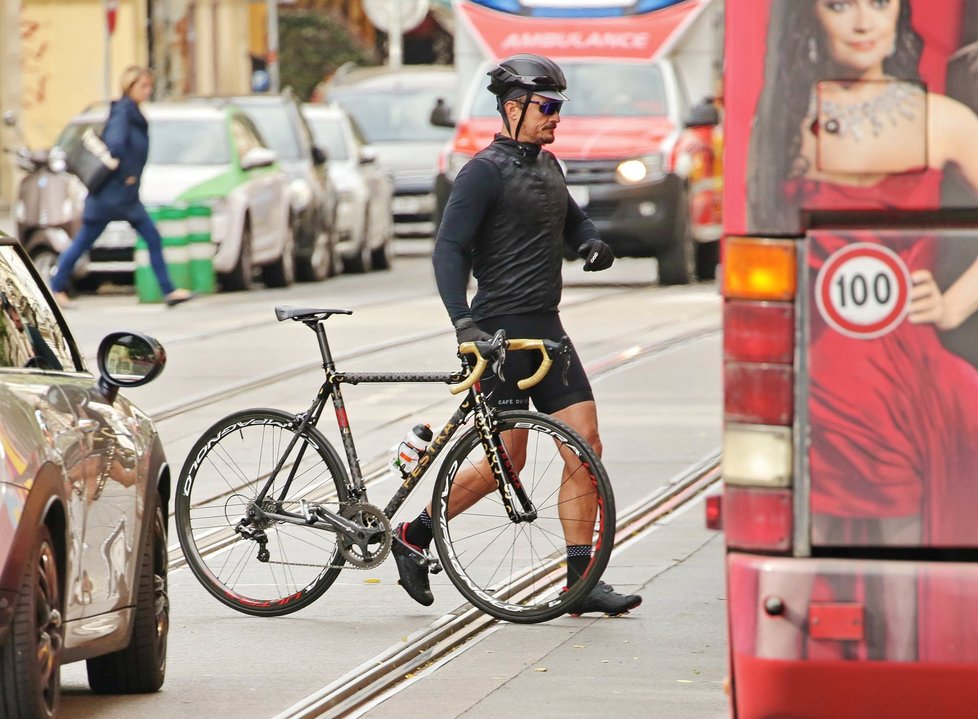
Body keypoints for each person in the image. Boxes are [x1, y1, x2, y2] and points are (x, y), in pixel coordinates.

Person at [390, 53, 641, 617]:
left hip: (548, 331)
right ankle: (414, 533)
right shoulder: (482, 172)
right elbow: (448, 249)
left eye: (559, 107)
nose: (556, 117)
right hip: (500, 334)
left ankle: (580, 582)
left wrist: (590, 241)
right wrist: (464, 324)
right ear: (512, 109)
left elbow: (573, 219)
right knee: (509, 462)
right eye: (546, 107)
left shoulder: (547, 167)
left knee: (586, 447)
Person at [51, 66, 194, 309]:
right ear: (130, 87)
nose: (147, 91)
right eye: (143, 86)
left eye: (149, 86)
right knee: (90, 241)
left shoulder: (132, 112)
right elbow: (115, 145)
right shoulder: (124, 111)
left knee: (146, 237)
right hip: (112, 194)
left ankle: (169, 290)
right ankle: (55, 287)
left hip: (121, 195)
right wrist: (128, 174)